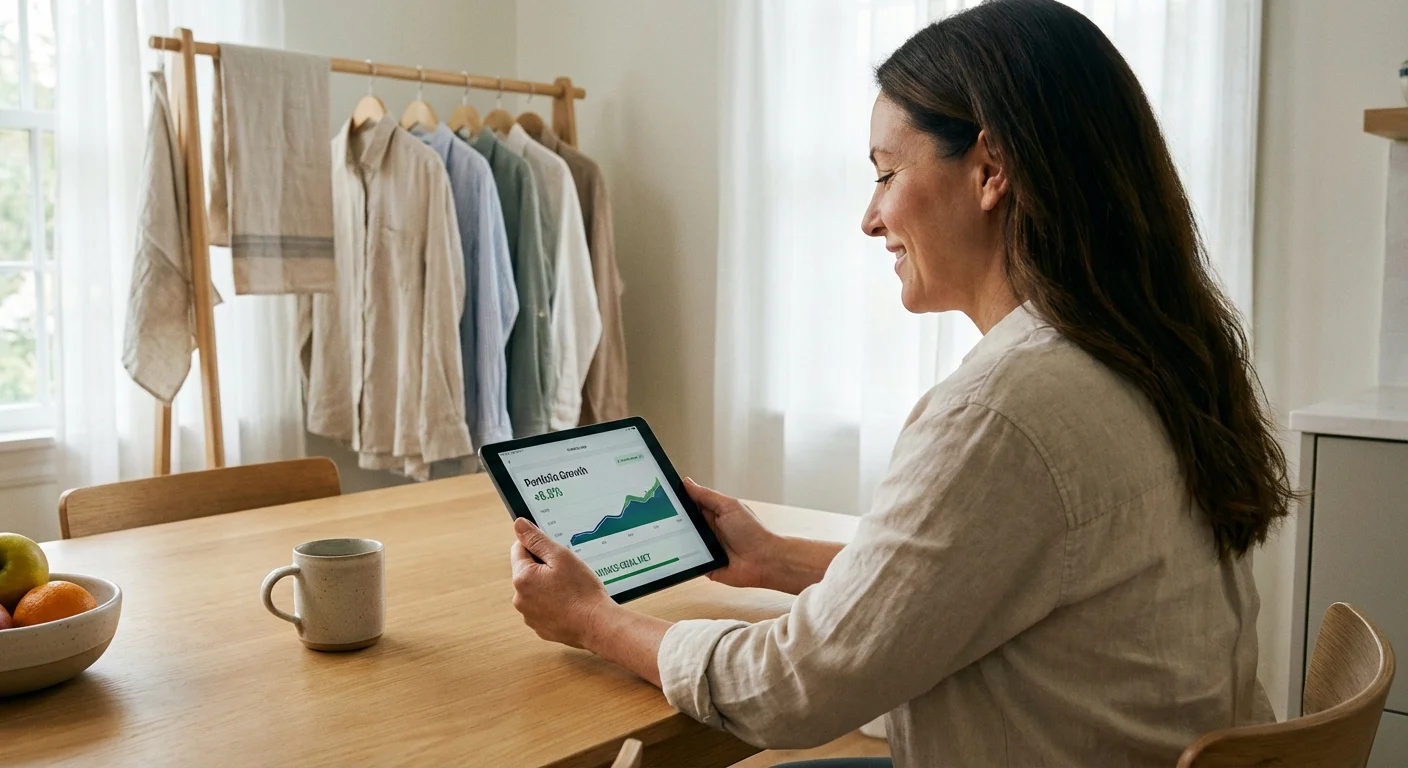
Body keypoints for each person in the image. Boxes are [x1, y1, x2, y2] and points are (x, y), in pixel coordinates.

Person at [507, 0, 1289, 765]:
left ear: (991, 170)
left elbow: (793, 688)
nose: (869, 218)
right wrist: (779, 559)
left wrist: (594, 621)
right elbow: (982, 577)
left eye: (885, 174)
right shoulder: (1149, 359)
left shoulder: (1008, 411)